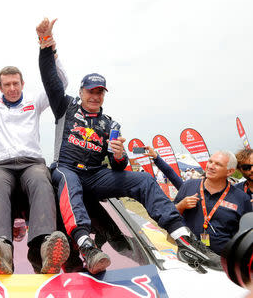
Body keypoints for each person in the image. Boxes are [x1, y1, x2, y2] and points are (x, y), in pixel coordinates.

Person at [37, 18, 222, 274]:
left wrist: (119, 155)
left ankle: (181, 237)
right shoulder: (65, 106)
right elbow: (50, 79)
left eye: (100, 92)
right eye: (91, 90)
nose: (95, 95)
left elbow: (117, 166)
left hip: (95, 174)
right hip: (66, 168)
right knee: (69, 181)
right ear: (80, 92)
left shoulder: (110, 123)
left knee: (143, 180)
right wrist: (46, 44)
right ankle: (86, 245)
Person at [0, 16, 70, 275]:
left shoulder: (35, 101)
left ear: (23, 84)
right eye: (7, 84)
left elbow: (62, 84)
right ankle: (0, 250)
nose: (12, 88)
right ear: (0, 87)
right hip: (1, 165)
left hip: (31, 163)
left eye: (16, 83)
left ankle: (45, 247)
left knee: (41, 180)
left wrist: (50, 45)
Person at [173, 151, 252, 254]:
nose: (211, 166)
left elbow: (247, 235)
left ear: (230, 171)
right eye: (210, 162)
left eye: (218, 164)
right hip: (187, 253)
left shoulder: (241, 198)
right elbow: (171, 216)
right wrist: (180, 206)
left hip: (221, 260)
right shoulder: (188, 186)